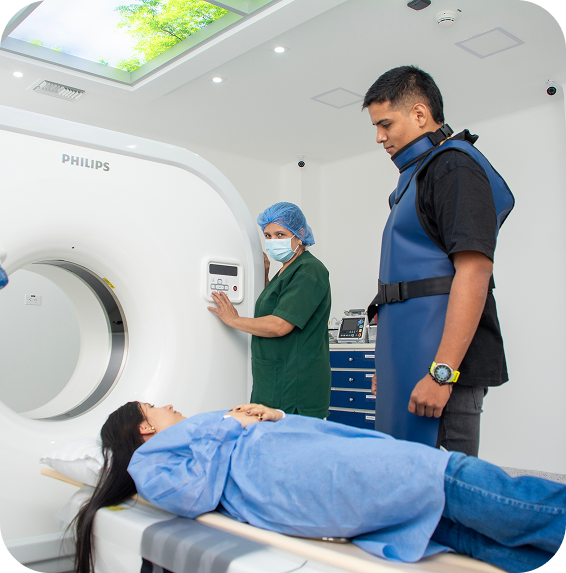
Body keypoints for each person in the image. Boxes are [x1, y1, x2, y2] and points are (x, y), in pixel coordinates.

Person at [72, 401, 564, 573]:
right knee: (467, 485)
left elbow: (274, 432)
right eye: (156, 406)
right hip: (307, 478)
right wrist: (230, 423)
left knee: (458, 531)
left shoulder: (194, 430)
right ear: (144, 428)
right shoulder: (152, 460)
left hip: (311, 460)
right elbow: (190, 494)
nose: (169, 405)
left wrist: (273, 415)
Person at [363, 66, 514, 455]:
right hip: (409, 358)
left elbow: (475, 270)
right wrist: (388, 365)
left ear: (419, 114)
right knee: (402, 472)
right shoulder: (413, 180)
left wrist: (442, 374)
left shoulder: (453, 166)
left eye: (385, 124)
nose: (379, 137)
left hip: (443, 369)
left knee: (440, 481)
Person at [208, 202, 331, 418]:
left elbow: (279, 325)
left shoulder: (309, 270)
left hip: (295, 383)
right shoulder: (285, 271)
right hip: (274, 379)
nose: (273, 241)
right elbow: (275, 306)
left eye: (280, 234)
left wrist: (233, 319)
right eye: (268, 236)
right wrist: (265, 275)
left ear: (300, 235)